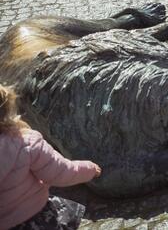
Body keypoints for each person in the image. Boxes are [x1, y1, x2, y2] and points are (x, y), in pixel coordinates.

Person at [0, 84, 101, 230]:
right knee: (64, 211)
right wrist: (89, 169)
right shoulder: (25, 142)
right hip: (35, 217)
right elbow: (61, 172)